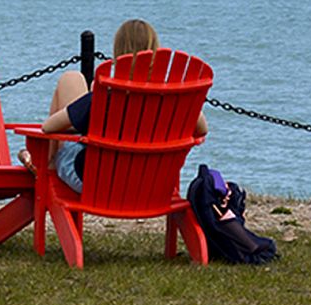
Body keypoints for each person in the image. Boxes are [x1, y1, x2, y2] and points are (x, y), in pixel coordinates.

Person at [25, 19, 208, 193]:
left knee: (71, 78)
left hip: (95, 182)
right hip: (152, 185)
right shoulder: (173, 99)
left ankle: (43, 166)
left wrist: (85, 123)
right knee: (79, 86)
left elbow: (48, 127)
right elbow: (201, 130)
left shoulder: (105, 96)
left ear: (118, 52)